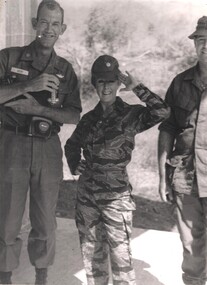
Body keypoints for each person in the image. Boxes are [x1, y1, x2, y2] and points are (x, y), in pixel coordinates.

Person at [64, 54, 169, 285]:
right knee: (92, 257)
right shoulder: (89, 119)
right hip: (87, 199)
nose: (106, 87)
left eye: (111, 81)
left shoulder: (131, 115)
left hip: (116, 199)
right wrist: (75, 163)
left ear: (119, 83)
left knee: (121, 260)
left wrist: (137, 87)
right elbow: (71, 145)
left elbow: (162, 111)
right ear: (94, 83)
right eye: (101, 81)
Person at [0, 1, 81, 284]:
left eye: (55, 24)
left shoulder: (65, 69)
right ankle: (6, 277)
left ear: (63, 29)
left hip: (47, 148)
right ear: (35, 24)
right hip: (12, 145)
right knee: (8, 219)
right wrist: (26, 86)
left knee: (45, 219)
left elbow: (73, 114)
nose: (49, 29)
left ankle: (41, 276)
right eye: (44, 22)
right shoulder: (9, 58)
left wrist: (38, 109)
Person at [158, 16, 207, 285]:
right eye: (200, 40)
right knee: (191, 245)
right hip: (185, 176)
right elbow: (167, 128)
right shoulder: (180, 83)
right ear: (194, 44)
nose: (205, 46)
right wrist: (160, 175)